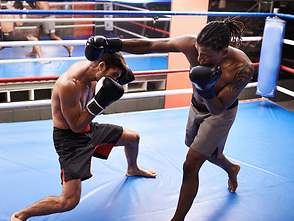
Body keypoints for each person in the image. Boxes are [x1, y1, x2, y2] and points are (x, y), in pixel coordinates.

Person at [84, 17, 254, 220]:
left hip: (220, 114)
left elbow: (218, 109)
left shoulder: (242, 68)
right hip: (196, 106)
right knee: (205, 152)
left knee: (191, 164)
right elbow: (151, 44)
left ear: (223, 52)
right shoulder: (192, 45)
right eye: (198, 51)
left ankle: (177, 218)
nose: (199, 58)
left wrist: (205, 88)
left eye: (206, 55)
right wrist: (112, 44)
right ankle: (232, 168)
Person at [10, 52, 156, 221]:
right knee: (69, 201)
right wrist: (100, 103)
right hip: (70, 139)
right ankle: (21, 215)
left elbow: (85, 120)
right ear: (101, 66)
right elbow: (76, 125)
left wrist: (118, 76)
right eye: (114, 75)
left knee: (133, 138)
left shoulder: (95, 72)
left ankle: (132, 169)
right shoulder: (69, 85)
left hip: (88, 128)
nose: (115, 81)